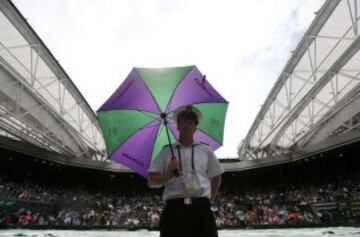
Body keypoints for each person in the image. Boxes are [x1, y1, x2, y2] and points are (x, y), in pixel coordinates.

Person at [148, 105, 224, 237]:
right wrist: (168, 174)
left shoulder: (206, 150)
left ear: (195, 127)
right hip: (174, 210)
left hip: (201, 209)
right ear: (177, 126)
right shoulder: (166, 151)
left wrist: (208, 200)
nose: (187, 125)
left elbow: (217, 176)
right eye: (183, 121)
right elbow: (151, 181)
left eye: (191, 122)